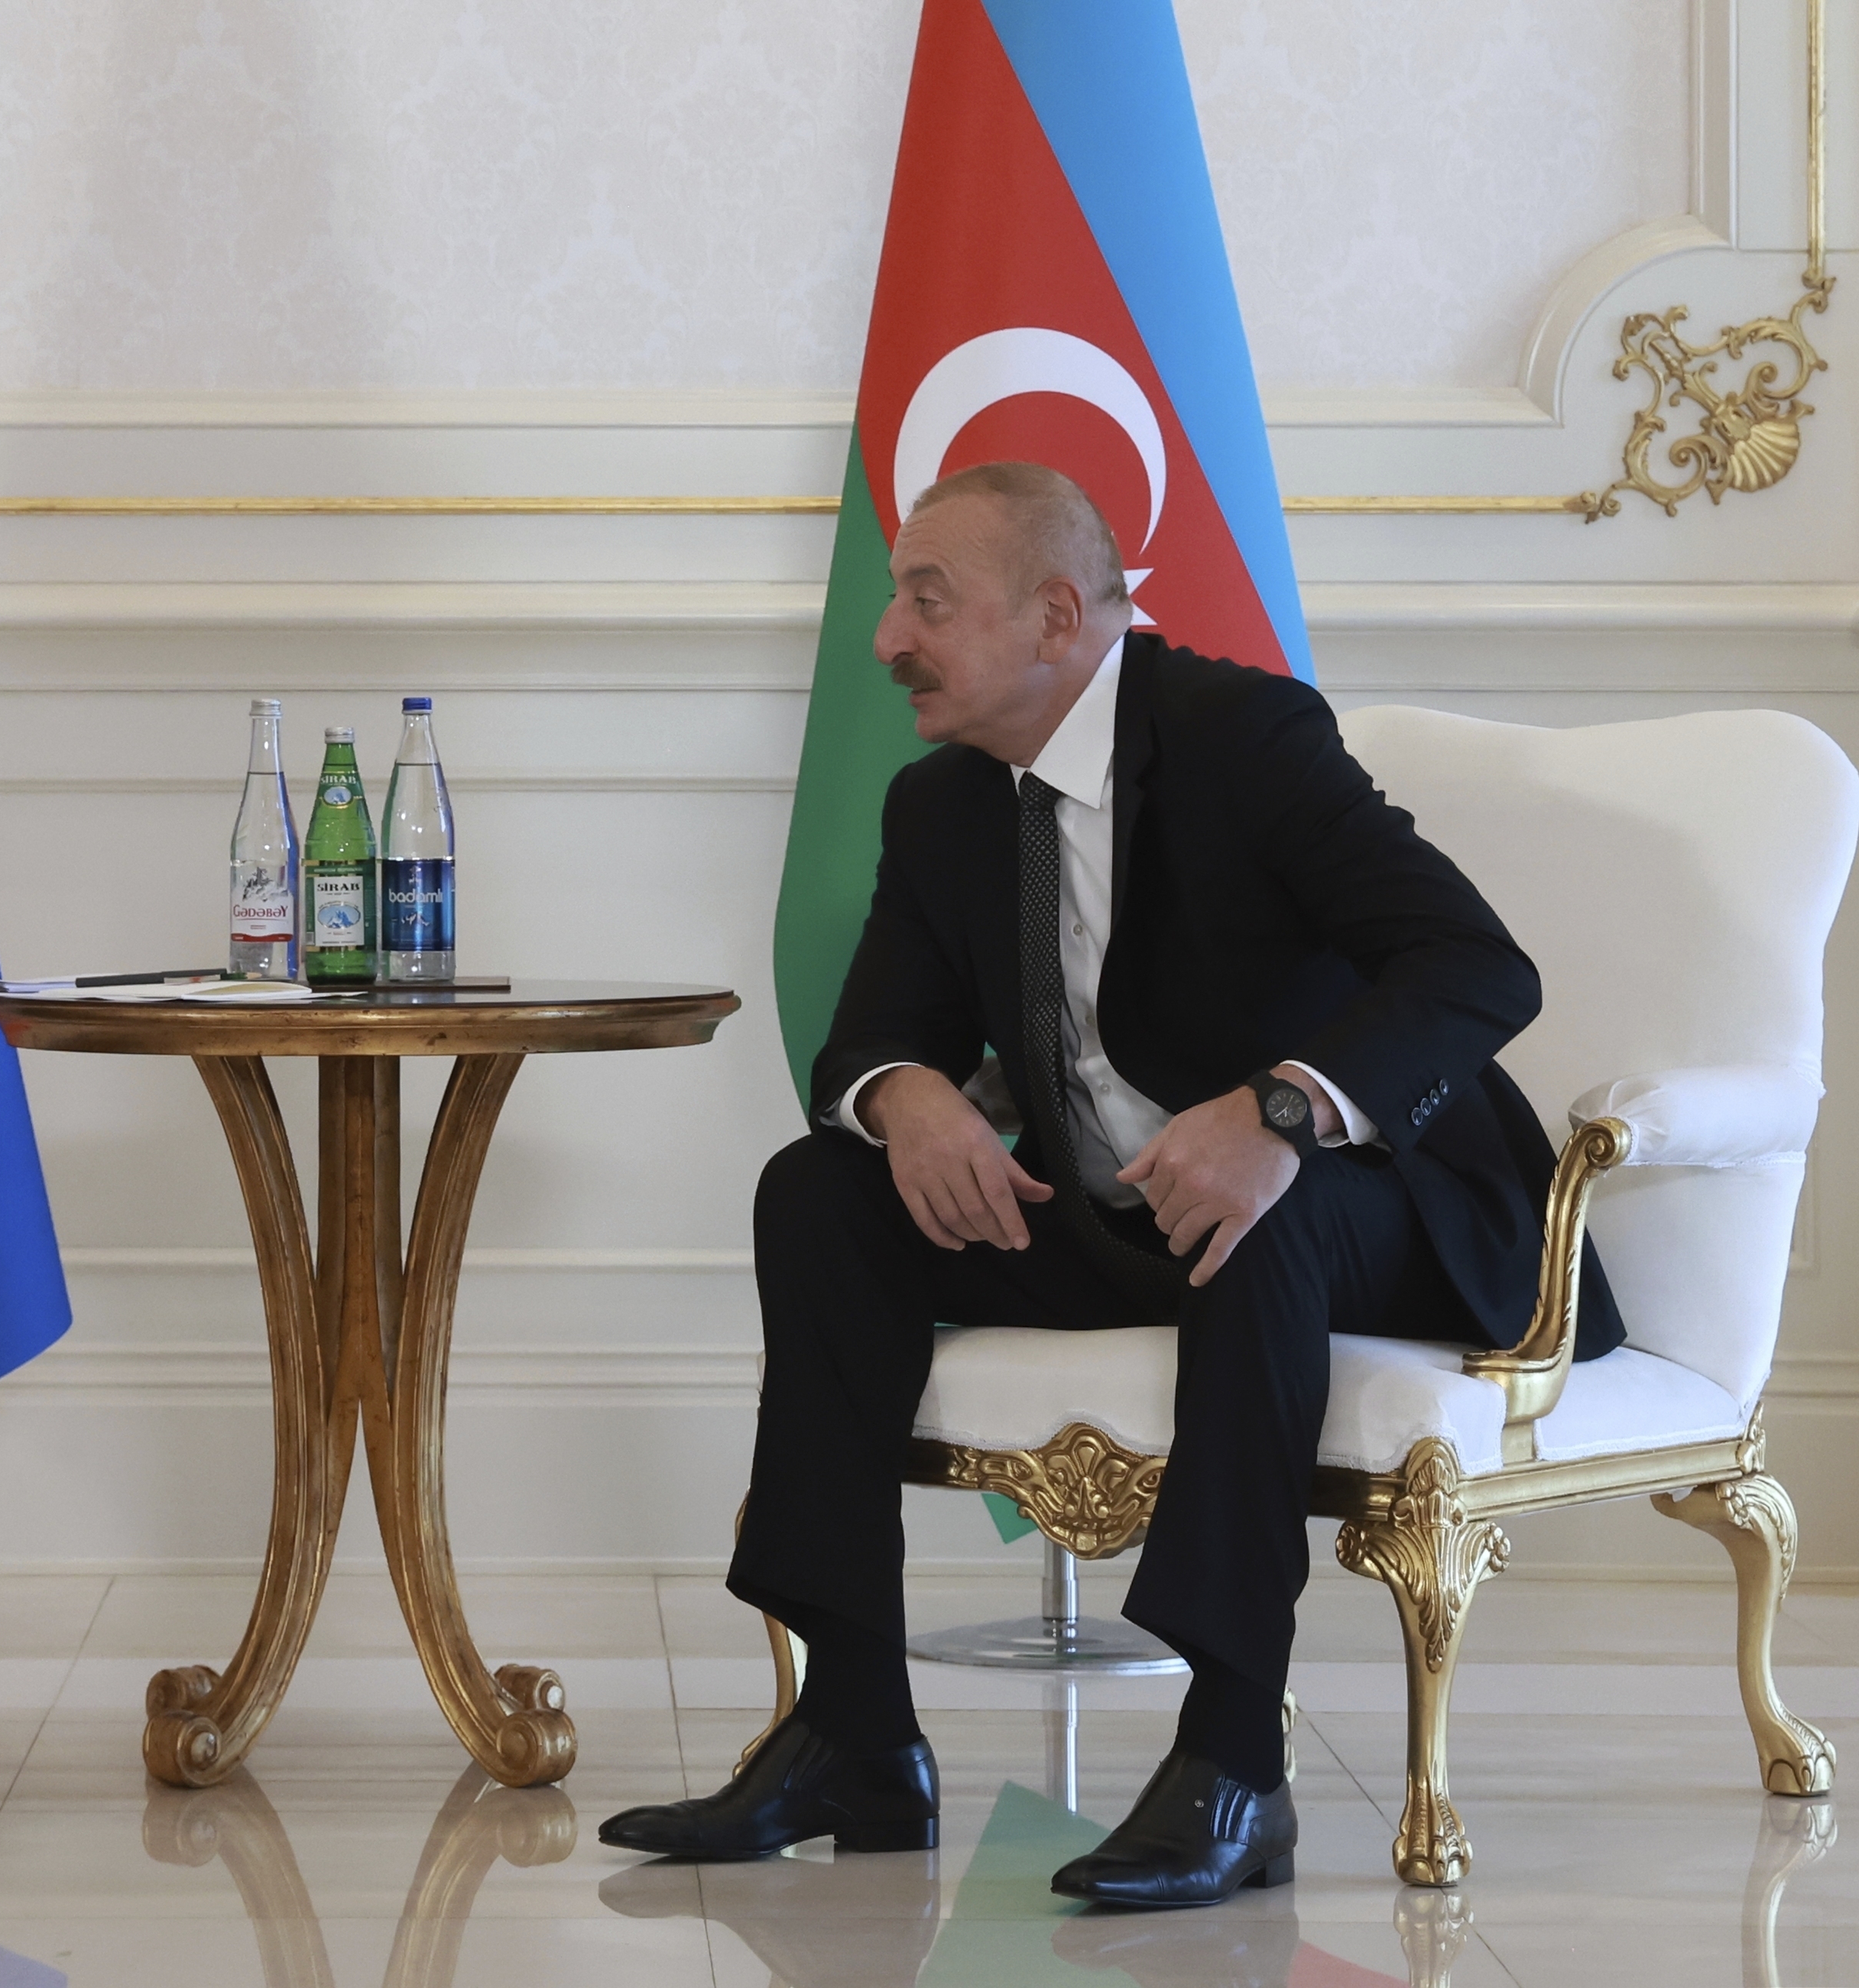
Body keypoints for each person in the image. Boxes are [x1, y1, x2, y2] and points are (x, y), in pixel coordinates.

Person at [597, 461, 1622, 1908]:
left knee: (1253, 1227)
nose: (884, 635)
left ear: (1059, 614)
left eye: (925, 600)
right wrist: (907, 1100)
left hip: (1363, 1205)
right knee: (817, 1193)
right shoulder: (940, 806)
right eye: (894, 596)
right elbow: (870, 1036)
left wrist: (1282, 1111)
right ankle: (855, 1731)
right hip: (1113, 1214)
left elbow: (1474, 966)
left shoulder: (1241, 735)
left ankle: (1228, 1766)